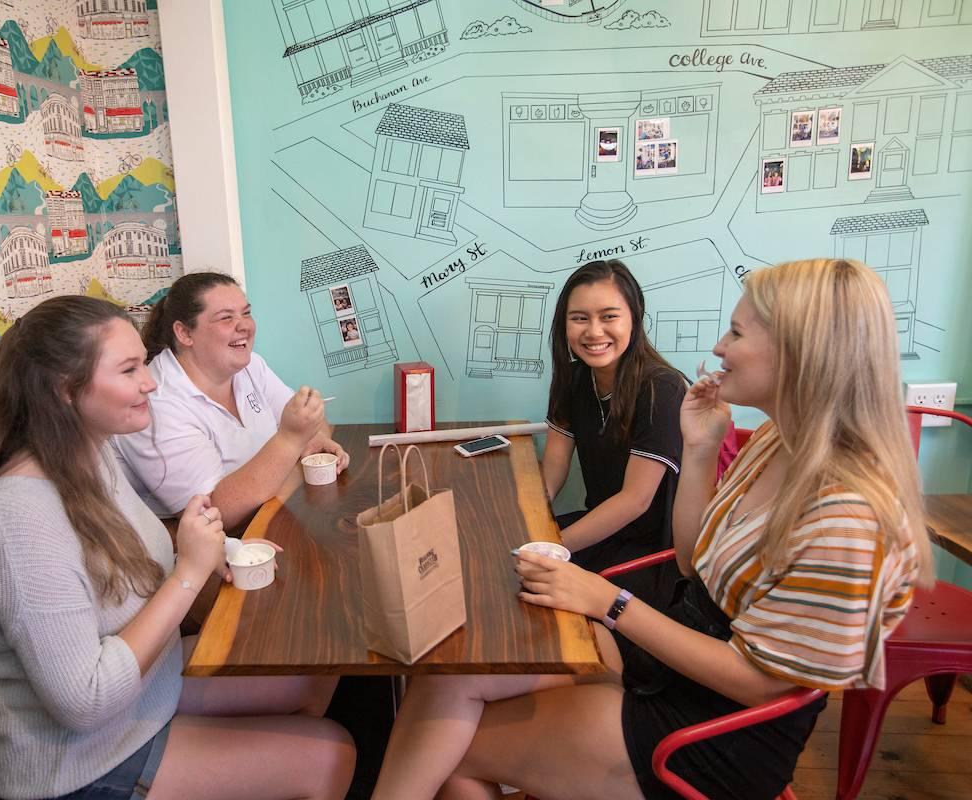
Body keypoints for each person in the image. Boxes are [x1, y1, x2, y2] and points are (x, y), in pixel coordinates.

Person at [369, 258, 930, 800]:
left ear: (801, 353)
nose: (718, 348)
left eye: (735, 332)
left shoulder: (847, 516)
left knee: (447, 749)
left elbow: (759, 683)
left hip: (714, 730)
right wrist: (703, 448)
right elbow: (692, 563)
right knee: (444, 683)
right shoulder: (778, 447)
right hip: (666, 662)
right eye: (579, 318)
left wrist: (609, 602)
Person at [0, 296, 354, 800]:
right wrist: (188, 573)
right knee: (331, 754)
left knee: (317, 671)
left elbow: (136, 572)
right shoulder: (16, 517)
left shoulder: (93, 458)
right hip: (80, 762)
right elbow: (84, 702)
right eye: (130, 369)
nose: (150, 381)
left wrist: (207, 551)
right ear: (65, 390)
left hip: (149, 689)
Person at [113, 272, 349, 528]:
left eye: (246, 313)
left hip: (271, 517)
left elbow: (307, 423)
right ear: (184, 333)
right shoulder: (157, 404)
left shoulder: (249, 366)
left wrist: (315, 440)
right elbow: (213, 513)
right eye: (226, 317)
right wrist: (292, 440)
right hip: (214, 549)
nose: (245, 326)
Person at [542, 259, 686, 600]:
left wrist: (554, 547)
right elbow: (554, 465)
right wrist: (530, 519)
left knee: (542, 587)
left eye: (609, 316)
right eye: (579, 318)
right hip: (603, 531)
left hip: (653, 554)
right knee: (508, 558)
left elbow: (635, 500)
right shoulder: (575, 378)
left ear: (634, 318)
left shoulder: (661, 388)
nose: (593, 332)